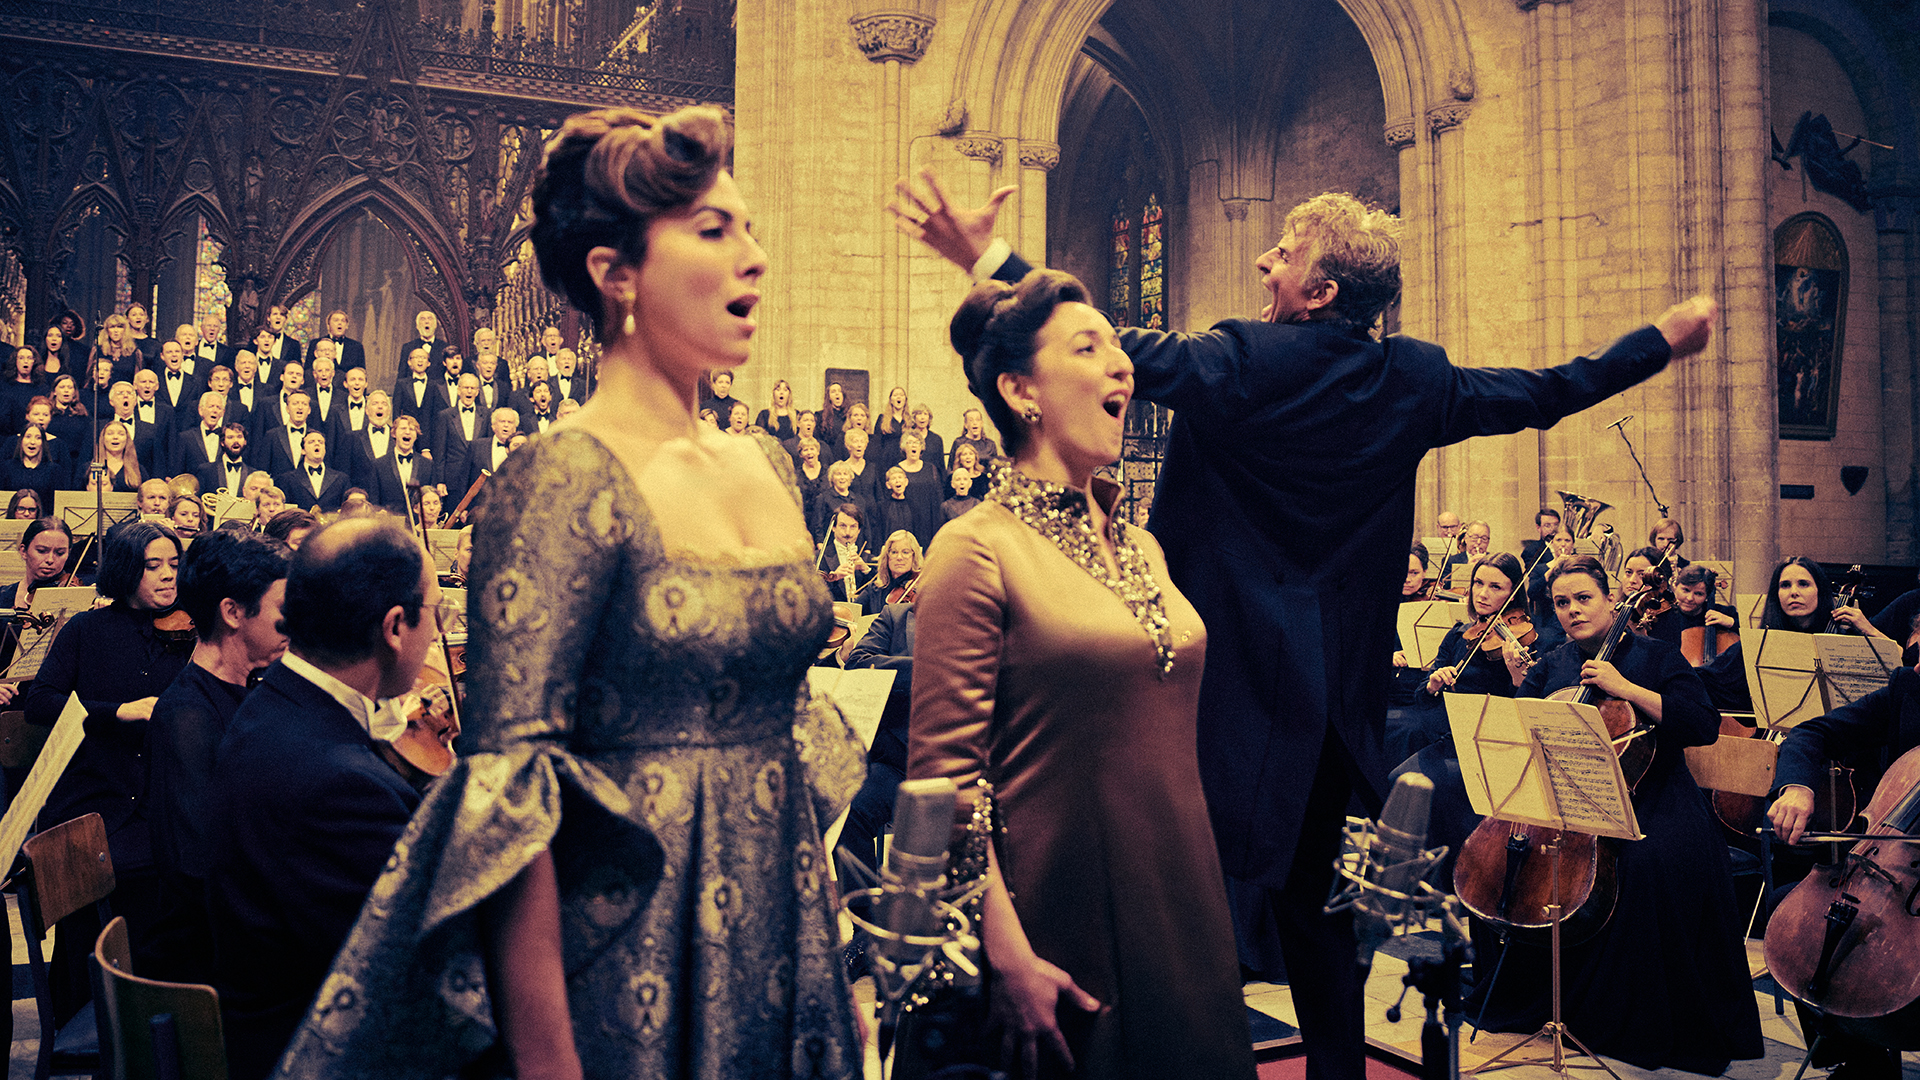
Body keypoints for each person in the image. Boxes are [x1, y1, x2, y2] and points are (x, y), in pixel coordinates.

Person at [894, 167, 1720, 1080]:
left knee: (1154, 877)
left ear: (1319, 290)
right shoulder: (1418, 379)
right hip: (1335, 703)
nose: (1264, 260)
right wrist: (1659, 343)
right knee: (1318, 911)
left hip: (1207, 677)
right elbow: (1548, 390)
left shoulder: (1244, 360)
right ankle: (1333, 1067)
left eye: (1284, 255)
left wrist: (988, 258)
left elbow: (1113, 350)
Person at [276, 103, 863, 1080]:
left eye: (751, 227)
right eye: (715, 231)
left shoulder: (766, 457)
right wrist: (551, 1064)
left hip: (782, 926)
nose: (754, 256)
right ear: (615, 274)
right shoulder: (562, 476)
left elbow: (790, 721)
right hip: (632, 952)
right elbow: (511, 802)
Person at [908, 269, 1254, 1079]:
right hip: (1056, 921)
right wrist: (1006, 957)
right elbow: (943, 782)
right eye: (1087, 346)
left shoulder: (1143, 547)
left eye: (1118, 347)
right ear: (1020, 389)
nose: (1122, 365)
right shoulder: (974, 548)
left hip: (1185, 902)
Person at [1466, 555, 1763, 1074]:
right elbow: (1519, 729)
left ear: (1608, 599)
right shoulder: (1552, 663)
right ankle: (1534, 999)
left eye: (1583, 598)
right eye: (1561, 602)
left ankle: (1628, 1019)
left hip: (1656, 794)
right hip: (1567, 797)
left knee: (1646, 867)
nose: (1573, 610)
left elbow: (1701, 724)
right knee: (1512, 863)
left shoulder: (1656, 655)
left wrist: (1627, 689)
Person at [206, 518, 439, 1080]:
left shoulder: (274, 703)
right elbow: (411, 975)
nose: (437, 635)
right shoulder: (339, 785)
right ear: (394, 628)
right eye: (435, 614)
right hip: (309, 1051)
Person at [21, 521, 188, 1026]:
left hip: (158, 805)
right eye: (152, 566)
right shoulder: (85, 631)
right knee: (101, 897)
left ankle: (159, 1022)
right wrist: (118, 712)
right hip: (94, 801)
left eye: (174, 565)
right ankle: (95, 1021)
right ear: (124, 569)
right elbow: (41, 702)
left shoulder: (192, 635)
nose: (167, 577)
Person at [1766, 616, 1918, 1080]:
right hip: (1891, 862)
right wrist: (1797, 788)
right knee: (1795, 919)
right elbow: (1813, 734)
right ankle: (1861, 1060)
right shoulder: (1907, 687)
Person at [147, 529, 290, 985]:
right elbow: (196, 868)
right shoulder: (185, 715)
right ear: (231, 612)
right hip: (210, 960)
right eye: (282, 612)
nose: (294, 625)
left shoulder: (252, 686)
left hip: (245, 925)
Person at [0, 518, 72, 669]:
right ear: (23, 551)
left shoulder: (75, 598)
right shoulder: (2, 597)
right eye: (41, 551)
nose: (50, 560)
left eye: (60, 553)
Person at [818, 496, 872, 603]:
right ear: (833, 528)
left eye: (853, 527)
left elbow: (877, 596)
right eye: (843, 526)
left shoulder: (869, 560)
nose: (848, 532)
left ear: (859, 530)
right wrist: (833, 578)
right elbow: (814, 596)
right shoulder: (819, 557)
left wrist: (866, 570)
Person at [862, 528, 923, 615]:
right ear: (887, 556)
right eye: (894, 552)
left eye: (905, 552)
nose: (899, 557)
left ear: (914, 556)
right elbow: (852, 611)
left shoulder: (918, 588)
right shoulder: (875, 589)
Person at [2, 422, 58, 513]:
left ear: (43, 443)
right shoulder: (7, 467)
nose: (32, 442)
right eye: (28, 437)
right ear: (21, 440)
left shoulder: (54, 470)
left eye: (38, 438)